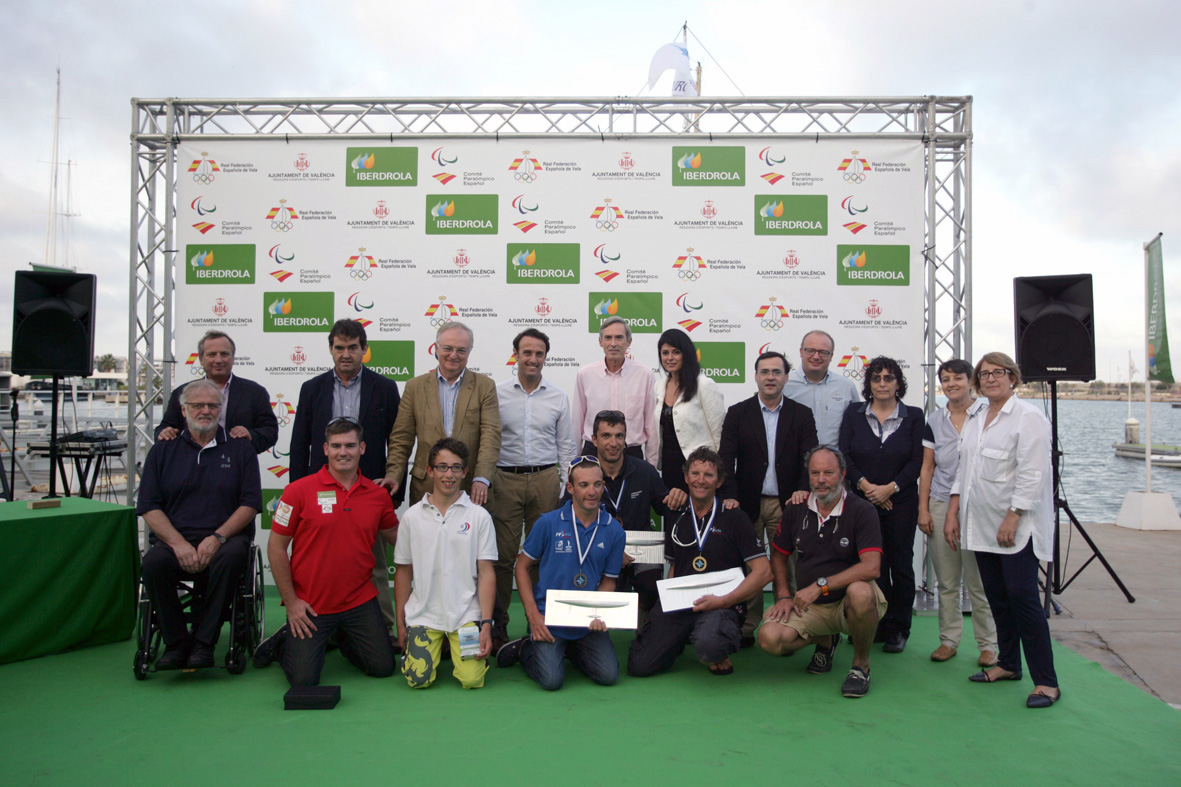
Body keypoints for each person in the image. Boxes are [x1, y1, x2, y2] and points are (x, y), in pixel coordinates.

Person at [946, 352, 1060, 708]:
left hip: (1015, 529)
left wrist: (1013, 516)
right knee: (997, 598)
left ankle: (1046, 682)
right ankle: (1009, 664)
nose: (991, 378)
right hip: (979, 527)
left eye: (999, 372)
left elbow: (1033, 472)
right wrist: (954, 512)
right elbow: (965, 469)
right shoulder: (977, 415)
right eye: (985, 373)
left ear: (1013, 377)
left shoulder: (1029, 418)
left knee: (1024, 601)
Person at [254, 418, 398, 686]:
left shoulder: (378, 496)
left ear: (362, 448)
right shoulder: (297, 491)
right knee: (304, 680)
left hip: (359, 601)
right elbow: (276, 547)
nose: (343, 452)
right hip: (310, 605)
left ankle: (341, 636)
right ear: (325, 449)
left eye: (350, 445)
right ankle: (285, 641)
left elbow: (400, 541)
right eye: (336, 445)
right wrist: (293, 603)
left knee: (382, 667)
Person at [289, 319, 402, 637]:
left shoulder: (385, 387)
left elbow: (398, 441)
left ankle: (383, 629)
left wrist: (393, 490)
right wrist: (298, 496)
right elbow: (299, 445)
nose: (346, 354)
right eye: (339, 347)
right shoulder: (312, 389)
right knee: (319, 565)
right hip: (320, 492)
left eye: (353, 347)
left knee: (375, 565)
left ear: (365, 350)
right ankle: (317, 627)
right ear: (330, 350)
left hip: (370, 492)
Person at [137, 380, 261, 670]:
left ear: (221, 410)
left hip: (226, 538)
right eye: (198, 405)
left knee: (230, 559)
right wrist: (178, 544)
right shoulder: (163, 450)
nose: (205, 410)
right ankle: (177, 643)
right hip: (175, 539)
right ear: (183, 410)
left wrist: (217, 537)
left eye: (212, 405)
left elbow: (250, 504)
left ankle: (205, 643)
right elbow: (149, 506)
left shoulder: (241, 449)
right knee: (153, 564)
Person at [627, 446, 771, 677]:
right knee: (639, 665)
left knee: (709, 645)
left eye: (708, 475)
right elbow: (675, 565)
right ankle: (681, 637)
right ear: (686, 477)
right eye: (695, 473)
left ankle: (712, 646)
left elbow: (764, 573)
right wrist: (667, 607)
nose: (700, 480)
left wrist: (725, 600)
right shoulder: (676, 513)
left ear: (720, 481)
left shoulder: (734, 516)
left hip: (722, 604)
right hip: (683, 602)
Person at [758, 446, 887, 698]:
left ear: (842, 474)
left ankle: (860, 667)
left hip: (846, 603)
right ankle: (825, 640)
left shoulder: (862, 510)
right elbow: (778, 555)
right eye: (815, 473)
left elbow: (872, 567)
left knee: (860, 592)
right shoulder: (795, 509)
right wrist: (784, 595)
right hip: (810, 607)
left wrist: (820, 586)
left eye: (828, 472)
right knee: (769, 638)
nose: (821, 480)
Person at [495, 456, 626, 691]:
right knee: (552, 681)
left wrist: (598, 613)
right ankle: (526, 648)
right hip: (549, 616)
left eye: (597, 484)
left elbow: (608, 580)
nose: (591, 492)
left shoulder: (614, 530)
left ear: (603, 487)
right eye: (583, 485)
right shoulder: (548, 522)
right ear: (570, 488)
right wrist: (533, 616)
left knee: (608, 675)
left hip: (586, 619)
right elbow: (522, 567)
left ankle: (570, 649)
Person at [718, 350, 818, 644]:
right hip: (746, 502)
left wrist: (803, 487)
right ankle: (747, 627)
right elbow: (726, 458)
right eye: (765, 372)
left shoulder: (801, 414)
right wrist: (730, 496)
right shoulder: (738, 413)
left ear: (787, 377)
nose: (770, 377)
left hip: (789, 502)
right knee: (749, 566)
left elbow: (810, 457)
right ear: (756, 376)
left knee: (786, 564)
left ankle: (789, 624)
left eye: (776, 372)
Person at [488, 328, 576, 649]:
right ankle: (498, 627)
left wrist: (567, 489)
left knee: (542, 557)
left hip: (544, 480)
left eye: (539, 354)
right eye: (527, 353)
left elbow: (566, 448)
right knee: (502, 558)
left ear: (545, 358)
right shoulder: (495, 394)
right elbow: (489, 441)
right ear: (516, 355)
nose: (533, 359)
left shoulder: (558, 396)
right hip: (505, 480)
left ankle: (539, 624)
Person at [395, 439, 496, 689]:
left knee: (472, 680)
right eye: (441, 467)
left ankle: (458, 650)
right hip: (424, 615)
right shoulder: (411, 517)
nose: (448, 474)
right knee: (418, 681)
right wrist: (401, 622)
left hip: (466, 616)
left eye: (455, 467)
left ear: (465, 472)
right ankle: (430, 648)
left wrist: (486, 624)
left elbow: (486, 573)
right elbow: (403, 572)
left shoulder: (479, 516)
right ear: (429, 471)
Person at [838, 355, 923, 654]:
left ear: (899, 383)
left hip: (901, 502)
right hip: (862, 504)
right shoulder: (853, 413)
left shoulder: (914, 415)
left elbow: (917, 461)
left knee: (900, 565)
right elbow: (845, 454)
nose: (883, 383)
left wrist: (890, 489)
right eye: (877, 378)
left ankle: (899, 628)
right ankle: (874, 624)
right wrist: (868, 488)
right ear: (869, 384)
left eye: (889, 377)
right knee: (871, 566)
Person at [918, 359, 997, 667]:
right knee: (947, 581)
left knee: (978, 581)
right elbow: (927, 467)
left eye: (958, 378)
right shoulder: (935, 420)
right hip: (939, 504)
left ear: (970, 381)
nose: (951, 384)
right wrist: (923, 509)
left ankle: (988, 645)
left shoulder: (987, 414)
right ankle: (949, 641)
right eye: (946, 379)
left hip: (977, 506)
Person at [577, 410, 687, 612]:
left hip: (641, 551)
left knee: (650, 585)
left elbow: (666, 506)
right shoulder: (582, 474)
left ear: (625, 439)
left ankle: (646, 628)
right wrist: (610, 551)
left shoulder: (644, 471)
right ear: (594, 439)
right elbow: (568, 520)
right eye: (606, 436)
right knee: (580, 576)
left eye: (619, 436)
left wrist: (678, 498)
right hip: (597, 546)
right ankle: (585, 627)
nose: (613, 443)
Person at [384, 320, 501, 507]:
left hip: (470, 486)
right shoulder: (415, 387)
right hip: (426, 487)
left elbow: (491, 436)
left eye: (461, 350)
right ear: (436, 349)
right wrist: (394, 475)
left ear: (469, 352)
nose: (453, 355)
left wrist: (482, 478)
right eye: (448, 348)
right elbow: (401, 439)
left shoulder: (485, 387)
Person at [155, 330, 278, 453]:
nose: (218, 360)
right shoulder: (182, 393)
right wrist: (165, 432)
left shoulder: (255, 392)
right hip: (192, 465)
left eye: (224, 354)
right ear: (201, 359)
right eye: (212, 354)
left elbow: (270, 432)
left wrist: (251, 436)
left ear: (233, 358)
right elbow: (164, 428)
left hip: (237, 465)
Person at [572, 315, 657, 462]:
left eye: (619, 337)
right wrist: (574, 463)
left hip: (631, 454)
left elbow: (652, 426)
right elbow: (576, 424)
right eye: (608, 338)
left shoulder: (645, 375)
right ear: (600, 341)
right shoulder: (585, 374)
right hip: (594, 452)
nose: (613, 343)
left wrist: (651, 465)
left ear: (628, 342)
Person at [653, 328, 725, 495]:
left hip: (700, 470)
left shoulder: (704, 385)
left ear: (686, 354)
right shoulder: (659, 386)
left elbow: (719, 434)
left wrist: (717, 471)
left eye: (676, 352)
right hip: (669, 467)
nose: (669, 358)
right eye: (665, 353)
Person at [784, 330, 861, 447]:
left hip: (835, 462)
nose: (816, 357)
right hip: (795, 462)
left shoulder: (847, 387)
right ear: (801, 352)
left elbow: (857, 427)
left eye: (823, 352)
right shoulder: (784, 385)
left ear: (831, 356)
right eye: (810, 350)